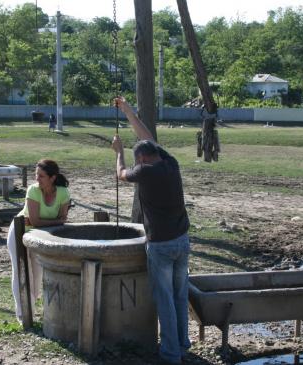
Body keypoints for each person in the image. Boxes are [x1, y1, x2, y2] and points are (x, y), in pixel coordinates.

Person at [111, 97, 191, 364]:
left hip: (161, 245)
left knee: (165, 299)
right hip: (182, 240)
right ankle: (182, 345)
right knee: (180, 295)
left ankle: (170, 355)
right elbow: (147, 137)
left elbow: (121, 173)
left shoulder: (144, 172)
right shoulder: (171, 163)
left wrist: (119, 152)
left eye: (138, 159)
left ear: (142, 159)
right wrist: (127, 111)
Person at [6, 159, 70, 323]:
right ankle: (23, 313)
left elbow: (61, 218)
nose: (37, 179)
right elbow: (37, 221)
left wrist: (47, 222)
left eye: (41, 176)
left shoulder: (63, 193)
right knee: (21, 271)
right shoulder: (33, 190)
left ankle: (30, 308)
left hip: (39, 237)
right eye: (36, 175)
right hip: (20, 232)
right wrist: (55, 221)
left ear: (52, 178)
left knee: (36, 276)